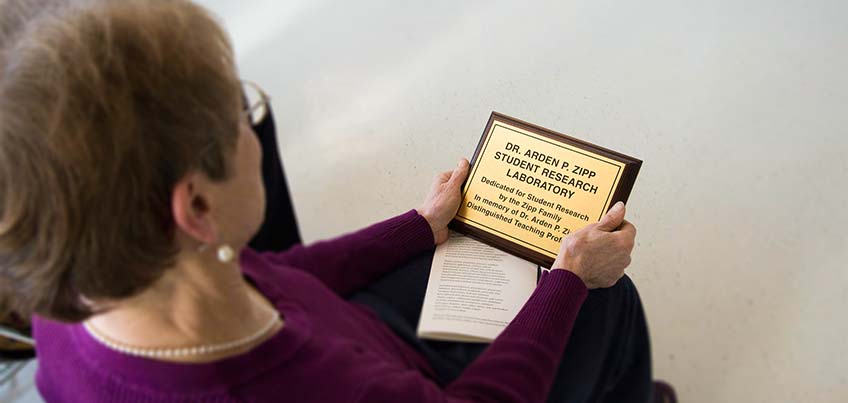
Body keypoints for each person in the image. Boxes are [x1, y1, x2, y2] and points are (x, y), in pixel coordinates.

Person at [0, 0, 653, 401]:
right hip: (399, 373)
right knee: (604, 299)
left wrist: (417, 226)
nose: (254, 128)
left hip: (354, 332)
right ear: (196, 208)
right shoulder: (315, 387)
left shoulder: (80, 294)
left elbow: (276, 273)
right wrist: (568, 278)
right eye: (239, 112)